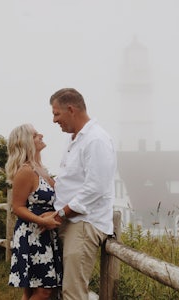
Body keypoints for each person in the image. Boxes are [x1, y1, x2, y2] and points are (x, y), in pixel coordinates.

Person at [49, 88, 117, 300]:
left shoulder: (96, 139)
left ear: (71, 109)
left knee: (73, 293)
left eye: (56, 113)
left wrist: (60, 214)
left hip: (84, 223)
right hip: (72, 220)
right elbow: (69, 181)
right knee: (64, 288)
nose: (54, 120)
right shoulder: (74, 139)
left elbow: (96, 187)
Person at [5, 123, 63, 300]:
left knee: (32, 290)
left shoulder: (41, 169)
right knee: (43, 291)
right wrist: (43, 221)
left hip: (45, 235)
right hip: (33, 235)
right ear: (25, 142)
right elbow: (18, 207)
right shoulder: (26, 171)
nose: (41, 135)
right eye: (35, 135)